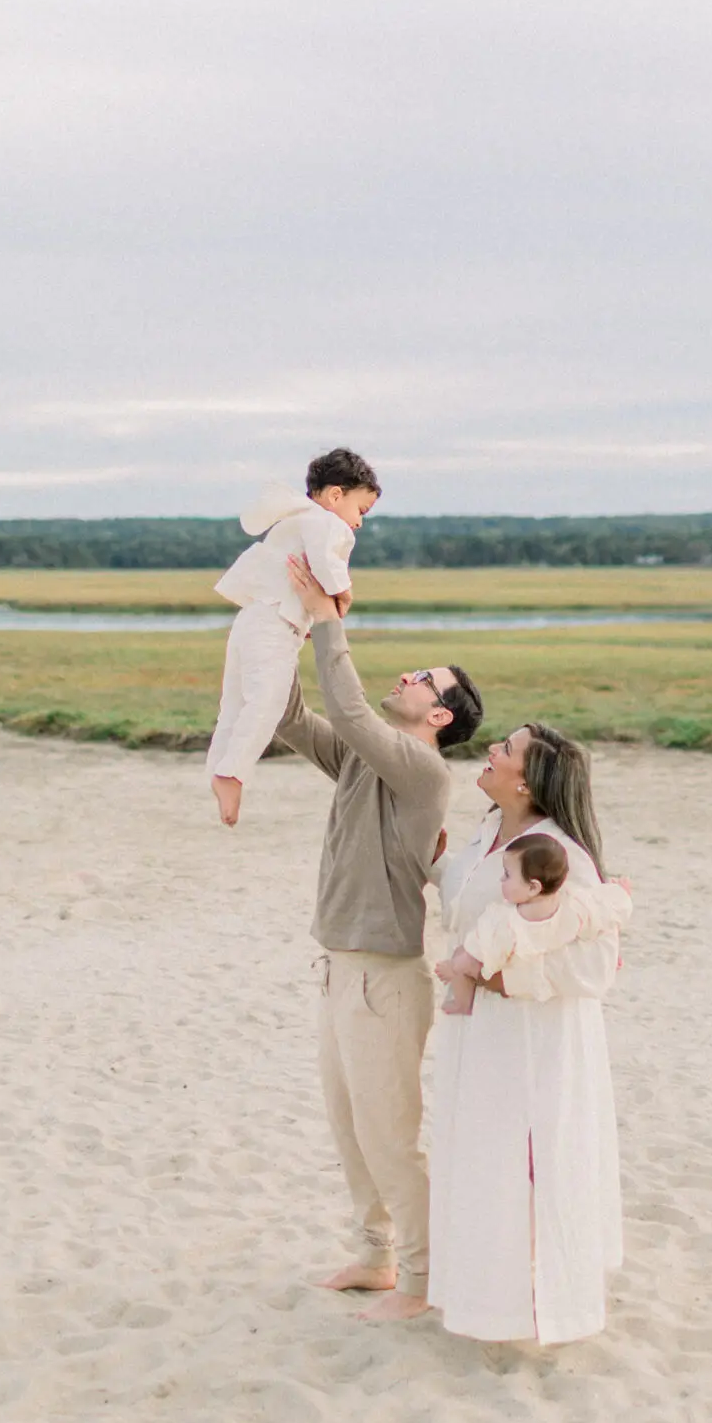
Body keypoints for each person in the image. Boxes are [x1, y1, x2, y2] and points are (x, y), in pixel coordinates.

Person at [276, 552, 483, 1322]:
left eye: (424, 682)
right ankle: (374, 1257)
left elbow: (354, 712)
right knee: (347, 1127)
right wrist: (281, 628)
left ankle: (424, 1286)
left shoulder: (422, 773)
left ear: (439, 717)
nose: (409, 679)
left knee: (391, 1139)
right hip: (336, 969)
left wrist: (332, 623)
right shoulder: (366, 762)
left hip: (384, 981)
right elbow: (292, 719)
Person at [429, 724, 630, 1345]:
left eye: (505, 750)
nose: (491, 751)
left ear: (527, 779)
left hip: (533, 1031)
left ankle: (532, 1308)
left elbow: (598, 965)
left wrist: (496, 981)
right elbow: (467, 898)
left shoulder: (560, 854)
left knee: (526, 1164)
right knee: (483, 1161)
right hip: (480, 1032)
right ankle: (483, 1294)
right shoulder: (490, 830)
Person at [207, 448, 380, 825]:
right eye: (361, 511)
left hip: (252, 620)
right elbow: (325, 563)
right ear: (336, 495)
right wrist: (343, 593)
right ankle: (232, 774)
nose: (360, 523)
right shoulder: (326, 524)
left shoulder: (297, 519)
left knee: (235, 705)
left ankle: (220, 769)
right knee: (266, 703)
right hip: (272, 627)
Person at [436, 832, 627, 1015]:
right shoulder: (571, 907)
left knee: (462, 952)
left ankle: (462, 1004)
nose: (502, 879)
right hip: (527, 963)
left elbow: (481, 952)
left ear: (533, 887)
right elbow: (605, 911)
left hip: (500, 967)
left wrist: (453, 967)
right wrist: (621, 893)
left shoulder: (509, 922)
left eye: (507, 875)